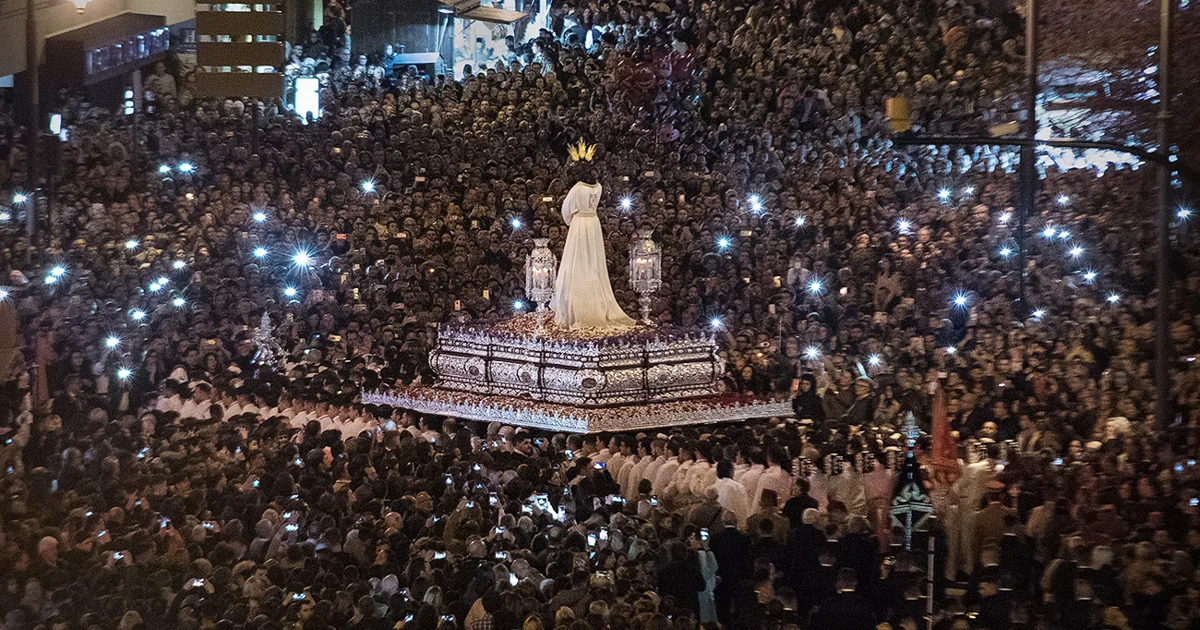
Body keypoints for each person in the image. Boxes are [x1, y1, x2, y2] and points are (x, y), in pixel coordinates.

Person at [550, 161, 635, 330]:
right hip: (593, 223)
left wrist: (571, 221)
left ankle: (577, 310)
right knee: (593, 262)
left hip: (580, 224)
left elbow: (566, 211)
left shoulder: (577, 189)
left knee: (577, 260)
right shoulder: (599, 187)